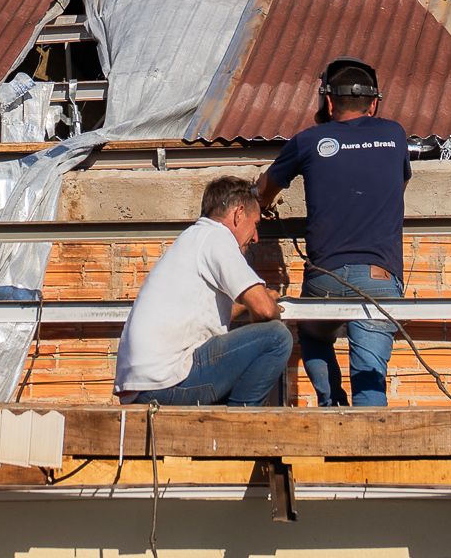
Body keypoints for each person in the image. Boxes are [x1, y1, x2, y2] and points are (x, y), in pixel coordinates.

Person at [255, 56, 409, 407]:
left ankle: (331, 403)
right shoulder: (394, 134)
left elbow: (265, 188)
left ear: (327, 101)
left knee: (314, 335)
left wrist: (262, 204)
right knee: (369, 383)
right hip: (378, 278)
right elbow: (395, 188)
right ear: (374, 103)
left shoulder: (309, 140)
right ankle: (371, 453)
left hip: (324, 278)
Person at [113, 176, 292, 406]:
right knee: (276, 337)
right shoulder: (217, 236)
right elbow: (265, 311)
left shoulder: (194, 238)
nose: (256, 238)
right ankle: (241, 429)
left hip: (145, 385)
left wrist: (248, 307)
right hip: (168, 380)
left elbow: (204, 313)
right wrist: (265, 304)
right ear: (239, 214)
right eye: (255, 225)